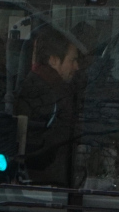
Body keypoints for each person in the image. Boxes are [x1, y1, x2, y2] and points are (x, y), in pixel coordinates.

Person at [14, 29, 82, 186]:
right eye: (72, 60)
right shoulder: (45, 95)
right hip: (44, 186)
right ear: (53, 60)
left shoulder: (41, 88)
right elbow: (40, 151)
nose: (76, 67)